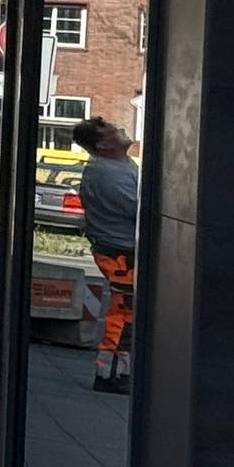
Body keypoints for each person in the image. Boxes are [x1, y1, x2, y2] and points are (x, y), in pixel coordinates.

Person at [74, 116, 139, 394]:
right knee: (125, 315)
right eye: (115, 131)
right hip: (121, 254)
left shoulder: (116, 167)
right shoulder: (109, 174)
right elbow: (141, 208)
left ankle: (115, 371)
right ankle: (111, 374)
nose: (123, 131)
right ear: (102, 144)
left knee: (126, 313)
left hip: (119, 252)